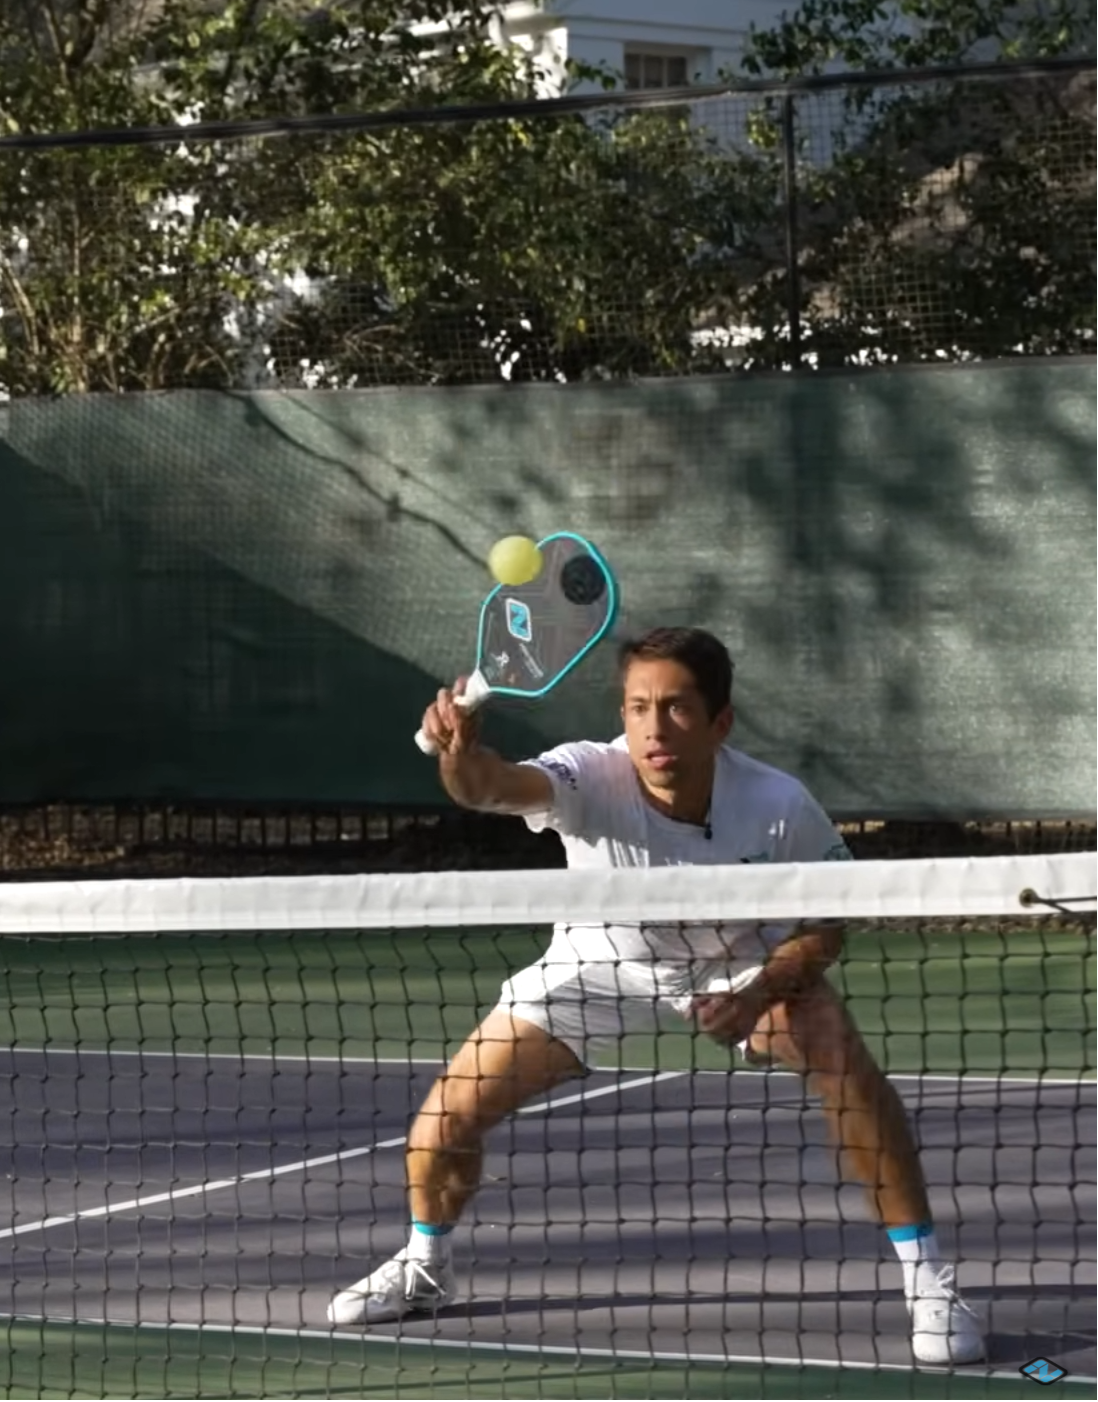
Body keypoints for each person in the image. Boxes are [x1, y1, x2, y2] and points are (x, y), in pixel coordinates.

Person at [328, 627, 985, 1366]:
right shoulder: (588, 774)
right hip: (597, 966)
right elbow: (488, 786)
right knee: (441, 1124)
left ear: (719, 722)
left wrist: (761, 992)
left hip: (736, 965)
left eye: (676, 707)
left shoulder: (776, 803)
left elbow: (827, 922)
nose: (654, 728)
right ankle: (426, 1267)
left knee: (842, 1061)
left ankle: (929, 1280)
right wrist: (458, 751)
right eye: (639, 707)